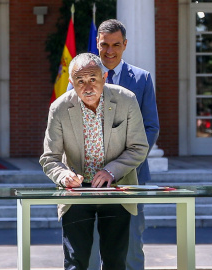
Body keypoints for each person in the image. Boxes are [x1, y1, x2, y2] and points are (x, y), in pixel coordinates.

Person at [40, 52, 149, 270]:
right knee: (75, 261)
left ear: (104, 77)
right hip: (77, 192)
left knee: (115, 261)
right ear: (71, 82)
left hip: (116, 188)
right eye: (80, 81)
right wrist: (64, 176)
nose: (87, 87)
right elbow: (49, 157)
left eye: (93, 79)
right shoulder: (59, 108)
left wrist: (111, 171)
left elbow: (139, 147)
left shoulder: (126, 100)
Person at [68, 19, 160, 270]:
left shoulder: (141, 80)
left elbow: (151, 128)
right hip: (88, 181)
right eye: (104, 45)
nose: (109, 51)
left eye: (116, 45)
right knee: (89, 249)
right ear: (97, 44)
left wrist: (120, 165)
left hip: (130, 178)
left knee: (129, 249)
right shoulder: (78, 76)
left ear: (125, 45)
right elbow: (69, 124)